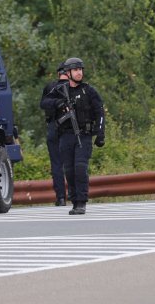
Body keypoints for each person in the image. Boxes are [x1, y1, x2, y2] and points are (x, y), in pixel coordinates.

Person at [43, 57, 105, 215]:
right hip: (65, 136)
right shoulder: (59, 90)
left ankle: (81, 202)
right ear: (68, 73)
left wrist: (100, 134)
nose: (79, 73)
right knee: (69, 170)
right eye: (75, 70)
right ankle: (73, 199)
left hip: (83, 135)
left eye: (80, 70)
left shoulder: (88, 91)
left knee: (80, 168)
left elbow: (100, 112)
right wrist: (58, 104)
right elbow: (44, 102)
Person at [40, 63, 69, 206]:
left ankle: (61, 198)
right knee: (74, 163)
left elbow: (43, 104)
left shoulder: (50, 87)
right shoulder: (76, 88)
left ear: (58, 74)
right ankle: (75, 195)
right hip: (70, 129)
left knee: (57, 165)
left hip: (53, 128)